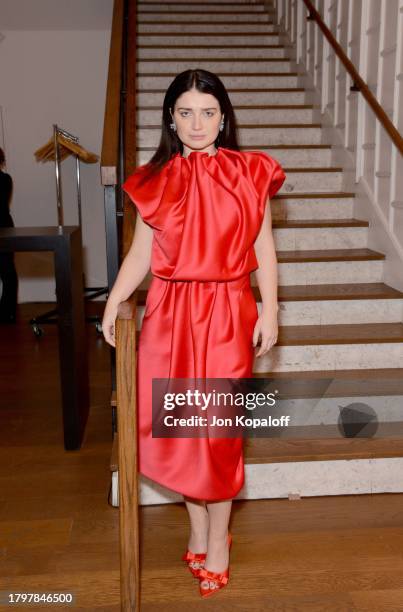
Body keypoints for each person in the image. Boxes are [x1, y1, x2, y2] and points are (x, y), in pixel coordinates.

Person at [102, 69, 286, 597]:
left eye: (207, 112)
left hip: (228, 311)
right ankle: (198, 527)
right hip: (169, 313)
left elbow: (264, 249)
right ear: (171, 118)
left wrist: (271, 312)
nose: (197, 122)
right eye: (186, 112)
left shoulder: (251, 172)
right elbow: (142, 254)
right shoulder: (153, 177)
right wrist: (115, 301)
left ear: (224, 117)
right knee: (182, 429)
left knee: (218, 435)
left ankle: (220, 540)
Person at [0, 147, 18, 324]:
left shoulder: (5, 179)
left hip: (3, 227)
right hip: (4, 225)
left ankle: (8, 311)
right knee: (7, 270)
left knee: (7, 270)